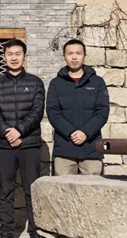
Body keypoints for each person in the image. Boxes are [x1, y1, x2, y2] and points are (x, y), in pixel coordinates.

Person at [0, 39, 45, 238]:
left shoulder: (36, 83)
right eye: (10, 54)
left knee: (32, 190)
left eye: (18, 54)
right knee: (6, 192)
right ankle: (6, 234)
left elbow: (37, 111)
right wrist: (8, 132)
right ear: (4, 57)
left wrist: (19, 131)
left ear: (25, 57)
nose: (14, 58)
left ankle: (35, 233)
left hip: (29, 144)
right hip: (4, 145)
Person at [46, 39, 109, 176]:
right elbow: (53, 113)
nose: (74, 57)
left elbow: (102, 112)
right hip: (64, 148)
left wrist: (85, 132)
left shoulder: (97, 82)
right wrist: (71, 132)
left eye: (78, 53)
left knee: (92, 187)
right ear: (64, 57)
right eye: (70, 54)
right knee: (62, 187)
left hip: (91, 147)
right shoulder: (56, 83)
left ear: (84, 56)